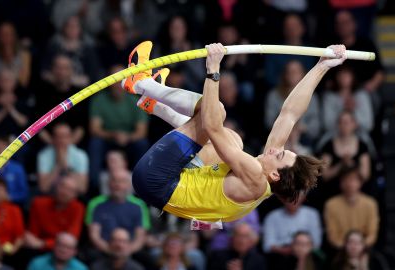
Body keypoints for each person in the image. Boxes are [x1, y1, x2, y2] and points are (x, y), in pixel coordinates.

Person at [123, 41, 345, 222]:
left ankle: (140, 83)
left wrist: (213, 69)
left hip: (155, 180)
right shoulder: (266, 174)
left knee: (216, 112)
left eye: (278, 155)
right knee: (233, 140)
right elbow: (289, 114)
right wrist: (321, 67)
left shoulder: (255, 177)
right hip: (177, 180)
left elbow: (211, 124)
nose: (275, 150)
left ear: (276, 174)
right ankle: (153, 103)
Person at [88, 64, 149, 188]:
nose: (117, 84)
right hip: (108, 140)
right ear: (108, 81)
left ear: (127, 80)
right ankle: (94, 186)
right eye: (114, 79)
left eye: (121, 79)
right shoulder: (99, 100)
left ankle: (141, 184)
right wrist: (114, 135)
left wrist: (127, 137)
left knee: (142, 144)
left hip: (129, 141)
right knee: (95, 143)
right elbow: (95, 129)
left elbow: (141, 132)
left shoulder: (135, 101)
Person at [86, 169, 149, 254]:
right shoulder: (97, 205)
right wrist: (111, 252)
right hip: (103, 251)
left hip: (129, 252)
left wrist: (124, 252)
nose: (117, 185)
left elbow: (140, 238)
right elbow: (94, 236)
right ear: (108, 184)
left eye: (122, 181)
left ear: (129, 185)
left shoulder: (138, 206)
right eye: (114, 180)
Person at [265, 60, 321, 144]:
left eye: (296, 71)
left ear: (303, 74)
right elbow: (268, 121)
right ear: (285, 75)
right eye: (290, 71)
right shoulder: (273, 95)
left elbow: (316, 125)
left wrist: (302, 128)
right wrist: (285, 126)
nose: (292, 74)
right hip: (278, 138)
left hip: (304, 139)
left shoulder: (312, 97)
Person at [324, 166, 379, 249]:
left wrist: (359, 246)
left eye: (353, 180)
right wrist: (349, 247)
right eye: (345, 180)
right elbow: (332, 236)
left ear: (360, 182)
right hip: (341, 249)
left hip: (364, 249)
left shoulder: (370, 204)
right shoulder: (331, 204)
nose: (349, 184)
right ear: (340, 183)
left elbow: (372, 234)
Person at [24, 175, 85, 251]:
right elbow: (32, 236)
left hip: (63, 250)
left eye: (70, 190)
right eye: (62, 186)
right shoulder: (38, 203)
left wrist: (44, 244)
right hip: (38, 249)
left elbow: (71, 237)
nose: (64, 192)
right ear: (56, 187)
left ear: (76, 195)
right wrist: (40, 244)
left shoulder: (78, 208)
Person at [37, 122, 89, 194]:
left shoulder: (80, 155)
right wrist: (58, 166)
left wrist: (66, 166)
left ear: (70, 137)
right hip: (51, 195)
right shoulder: (44, 155)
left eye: (65, 136)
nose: (61, 140)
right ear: (53, 138)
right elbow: (43, 188)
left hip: (73, 196)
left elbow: (82, 188)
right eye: (58, 136)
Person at [0, 22, 31, 88]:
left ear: (14, 36)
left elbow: (24, 81)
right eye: (2, 34)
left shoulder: (25, 55)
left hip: (19, 90)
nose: (6, 36)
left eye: (9, 33)